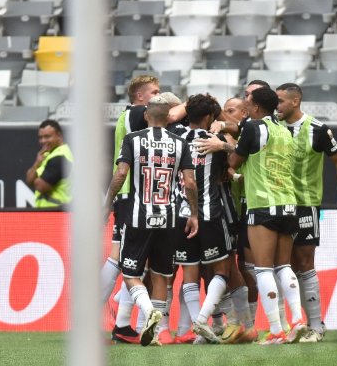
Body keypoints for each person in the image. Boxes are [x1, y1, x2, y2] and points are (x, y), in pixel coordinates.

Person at [105, 96, 199, 346]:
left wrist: (107, 203)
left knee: (130, 273)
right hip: (168, 218)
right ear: (169, 117)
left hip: (138, 216)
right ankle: (158, 332)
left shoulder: (133, 140)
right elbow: (190, 182)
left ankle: (148, 312)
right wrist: (193, 213)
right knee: (160, 275)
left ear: (146, 115)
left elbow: (121, 174)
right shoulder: (180, 143)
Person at [229, 86, 308, 345]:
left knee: (263, 269)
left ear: (257, 107)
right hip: (288, 204)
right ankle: (297, 321)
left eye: (248, 103)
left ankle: (276, 330)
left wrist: (222, 145)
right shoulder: (284, 130)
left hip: (263, 205)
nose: (245, 107)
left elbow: (233, 162)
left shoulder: (253, 128)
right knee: (284, 266)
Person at [276, 83, 337, 343]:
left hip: (305, 205)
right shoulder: (271, 127)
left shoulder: (317, 129)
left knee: (305, 263)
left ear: (295, 101)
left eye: (281, 101)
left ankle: (316, 325)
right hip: (277, 205)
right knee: (284, 266)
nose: (278, 106)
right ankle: (291, 325)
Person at [175, 94, 251, 343]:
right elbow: (234, 163)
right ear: (209, 116)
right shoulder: (215, 140)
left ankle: (208, 326)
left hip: (181, 214)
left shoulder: (174, 137)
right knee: (223, 268)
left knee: (192, 272)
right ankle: (209, 322)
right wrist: (225, 144)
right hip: (213, 212)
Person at [24, 119, 72, 208]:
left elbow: (41, 186)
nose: (43, 141)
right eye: (40, 137)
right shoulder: (46, 155)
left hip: (58, 213)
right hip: (47, 213)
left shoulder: (60, 157)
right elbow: (29, 180)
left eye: (47, 136)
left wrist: (35, 177)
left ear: (59, 135)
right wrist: (37, 163)